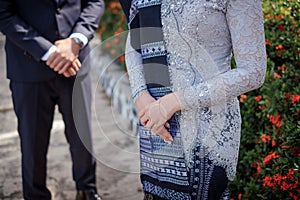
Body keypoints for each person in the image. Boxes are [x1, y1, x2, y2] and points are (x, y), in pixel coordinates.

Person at [120, 0, 267, 199]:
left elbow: (253, 71)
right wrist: (141, 96)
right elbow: (134, 41)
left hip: (207, 129)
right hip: (156, 123)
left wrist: (174, 102)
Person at [0, 0, 104, 199]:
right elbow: (3, 13)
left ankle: (87, 191)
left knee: (82, 137)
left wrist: (76, 41)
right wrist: (48, 52)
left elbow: (94, 2)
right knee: (32, 144)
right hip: (28, 67)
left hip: (76, 62)